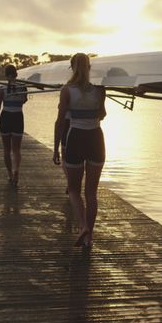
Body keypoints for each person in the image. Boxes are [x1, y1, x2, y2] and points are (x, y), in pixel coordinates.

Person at [53, 53, 107, 248]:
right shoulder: (100, 90)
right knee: (91, 192)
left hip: (75, 138)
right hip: (96, 139)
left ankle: (83, 226)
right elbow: (102, 114)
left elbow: (60, 122)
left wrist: (55, 148)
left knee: (74, 190)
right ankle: (89, 236)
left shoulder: (67, 90)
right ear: (89, 67)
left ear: (72, 67)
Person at [0, 64, 28, 187]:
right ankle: (16, 170)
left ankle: (10, 174)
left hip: (5, 117)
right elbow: (24, 100)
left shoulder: (2, 88)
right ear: (16, 74)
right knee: (16, 149)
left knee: (7, 149)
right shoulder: (23, 86)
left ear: (7, 75)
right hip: (18, 117)